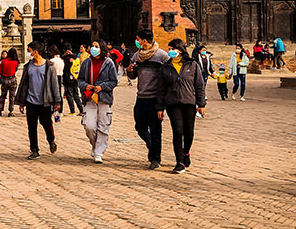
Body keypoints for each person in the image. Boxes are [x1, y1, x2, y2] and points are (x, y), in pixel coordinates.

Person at [157, 38, 206, 174]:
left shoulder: (192, 65)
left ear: (180, 50)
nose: (171, 51)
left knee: (188, 132)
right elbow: (160, 89)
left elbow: (199, 86)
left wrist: (201, 104)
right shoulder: (166, 67)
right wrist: (160, 107)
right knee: (177, 131)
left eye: (173, 49)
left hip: (189, 102)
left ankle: (186, 153)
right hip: (172, 103)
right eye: (169, 49)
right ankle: (179, 161)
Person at [126, 29, 169, 170]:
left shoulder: (162, 56)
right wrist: (131, 71)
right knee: (140, 127)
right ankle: (152, 147)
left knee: (156, 129)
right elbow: (133, 76)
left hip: (155, 98)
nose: (137, 41)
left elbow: (169, 75)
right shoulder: (137, 56)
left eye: (138, 39)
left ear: (144, 40)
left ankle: (156, 158)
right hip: (141, 96)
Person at [16, 41, 61, 160]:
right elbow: (23, 84)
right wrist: (21, 102)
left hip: (45, 101)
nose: (27, 53)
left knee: (46, 124)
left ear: (35, 52)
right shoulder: (28, 66)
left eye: (29, 50)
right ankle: (34, 150)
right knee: (32, 127)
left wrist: (57, 101)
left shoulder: (49, 66)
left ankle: (51, 140)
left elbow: (54, 85)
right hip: (31, 101)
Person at [77, 39, 118, 164]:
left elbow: (113, 81)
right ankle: (95, 146)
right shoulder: (86, 63)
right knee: (89, 125)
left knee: (103, 126)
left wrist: (102, 87)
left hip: (104, 98)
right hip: (90, 98)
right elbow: (80, 80)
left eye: (96, 46)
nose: (93, 48)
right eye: (92, 46)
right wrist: (85, 86)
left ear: (102, 48)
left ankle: (99, 152)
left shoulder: (108, 63)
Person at [0, 47, 20, 117]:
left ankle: (0, 110)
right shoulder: (15, 62)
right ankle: (11, 111)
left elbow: (0, 71)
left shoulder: (3, 61)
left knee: (3, 96)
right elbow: (15, 70)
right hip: (12, 79)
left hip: (4, 80)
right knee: (12, 96)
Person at [62, 47, 84, 116]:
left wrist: (64, 55)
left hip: (68, 79)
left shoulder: (66, 59)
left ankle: (72, 111)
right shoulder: (77, 58)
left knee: (69, 95)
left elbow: (65, 69)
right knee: (76, 95)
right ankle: (81, 110)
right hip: (75, 78)